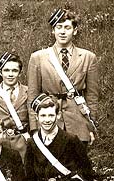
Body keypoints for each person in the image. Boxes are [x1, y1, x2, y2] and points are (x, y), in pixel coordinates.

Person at [27, 8, 99, 146]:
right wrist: (35, 127)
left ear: (75, 30)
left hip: (78, 120)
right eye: (58, 27)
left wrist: (90, 126)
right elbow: (32, 95)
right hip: (48, 120)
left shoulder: (88, 57)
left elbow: (92, 96)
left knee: (77, 164)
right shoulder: (38, 57)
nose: (62, 31)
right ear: (53, 31)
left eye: (67, 27)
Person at [0, 52, 30, 161]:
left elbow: (33, 119)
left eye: (14, 70)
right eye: (6, 70)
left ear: (20, 73)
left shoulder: (28, 92)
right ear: (0, 72)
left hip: (23, 143)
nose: (10, 74)